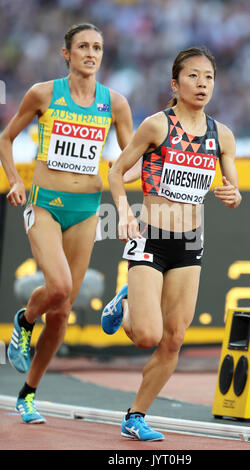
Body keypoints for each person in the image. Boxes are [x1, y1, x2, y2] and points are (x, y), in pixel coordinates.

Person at [101, 46, 242, 441]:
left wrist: (233, 196)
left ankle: (135, 416)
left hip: (189, 242)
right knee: (146, 336)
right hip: (150, 236)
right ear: (175, 84)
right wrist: (125, 214)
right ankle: (125, 303)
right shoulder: (156, 126)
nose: (202, 84)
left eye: (209, 77)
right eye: (193, 76)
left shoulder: (222, 136)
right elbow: (116, 172)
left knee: (174, 337)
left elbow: (233, 189)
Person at [0, 23, 133, 424]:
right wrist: (15, 180)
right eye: (83, 47)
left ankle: (28, 393)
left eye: (97, 48)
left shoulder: (115, 104)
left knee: (62, 309)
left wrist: (130, 173)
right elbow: (5, 138)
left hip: (86, 208)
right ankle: (24, 321)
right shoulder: (43, 93)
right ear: (67, 54)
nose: (91, 54)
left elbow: (134, 156)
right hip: (44, 203)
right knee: (57, 286)